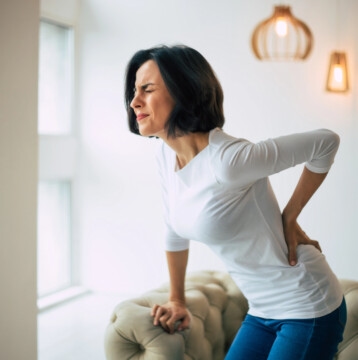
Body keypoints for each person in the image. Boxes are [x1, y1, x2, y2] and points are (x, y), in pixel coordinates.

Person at [124, 44, 346, 360]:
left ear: (183, 91)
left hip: (307, 305)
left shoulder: (228, 160)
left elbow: (326, 142)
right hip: (261, 310)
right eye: (134, 90)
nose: (134, 101)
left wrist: (289, 215)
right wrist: (178, 300)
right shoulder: (165, 155)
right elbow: (174, 230)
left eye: (147, 89)